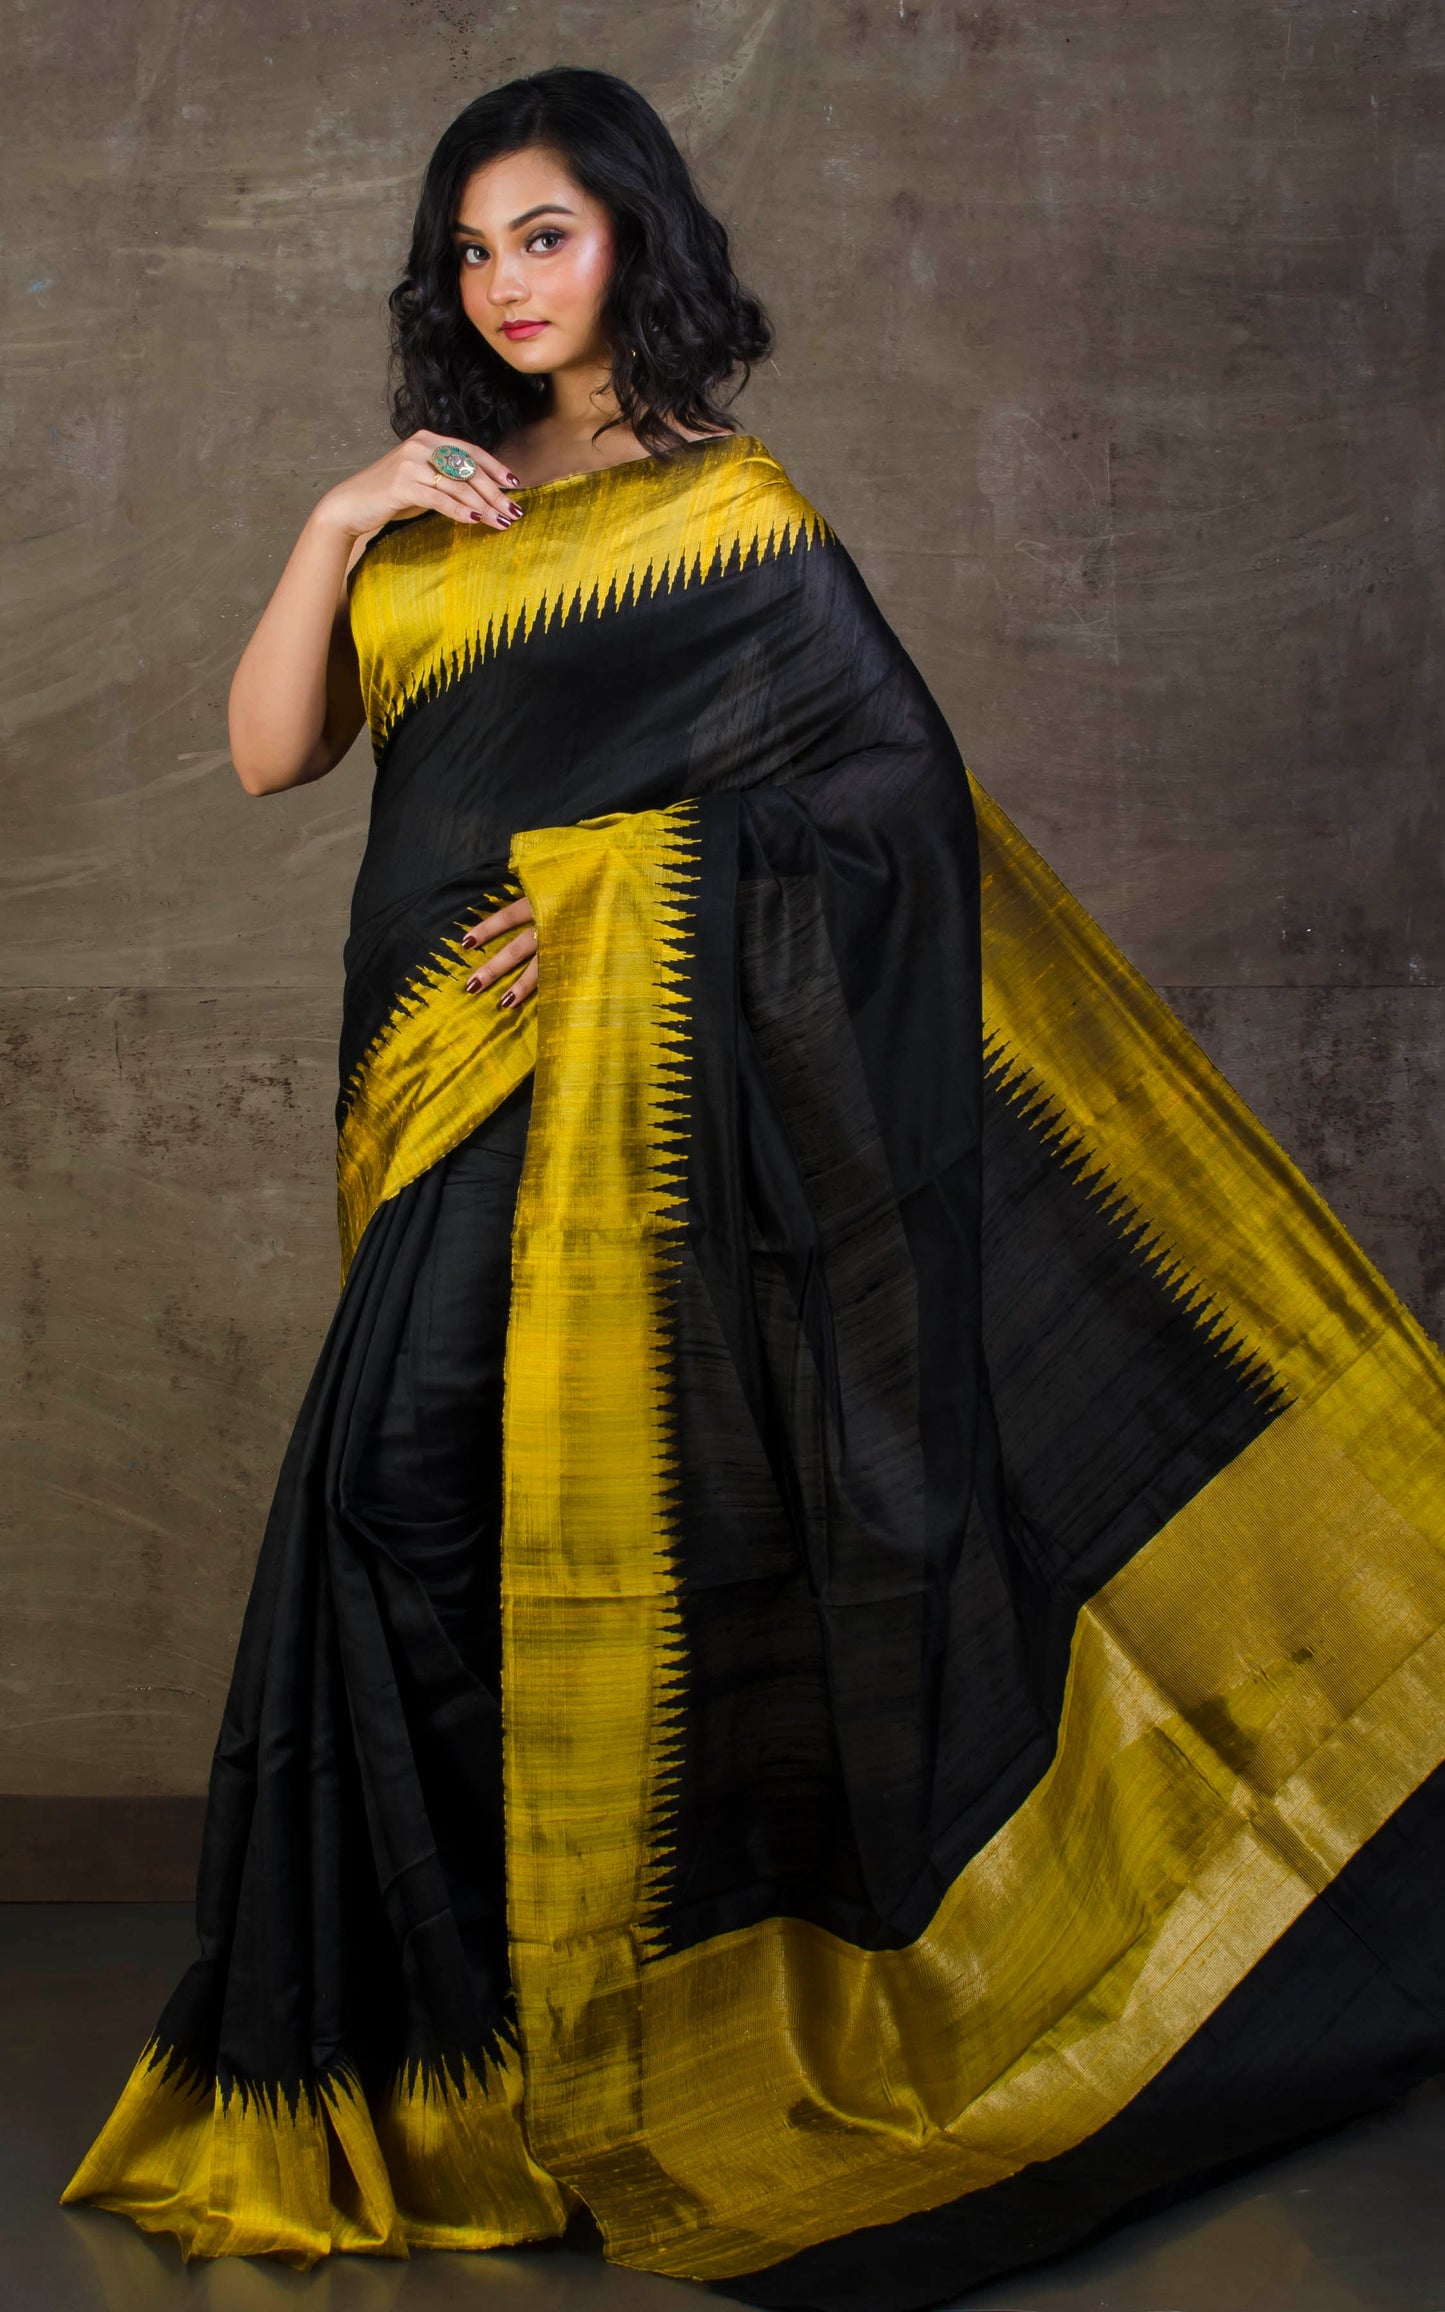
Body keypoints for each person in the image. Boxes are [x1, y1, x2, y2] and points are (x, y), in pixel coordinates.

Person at [61, 64, 1445, 2312]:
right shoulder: (429, 512)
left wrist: (632, 897)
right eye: (473, 249)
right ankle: (461, 2057)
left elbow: (895, 805)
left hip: (607, 1092)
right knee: (425, 1523)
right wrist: (330, 521)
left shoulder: (731, 511)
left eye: (547, 234)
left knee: (440, 1504)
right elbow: (270, 751)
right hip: (426, 1094)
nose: (506, 284)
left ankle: (544, 2055)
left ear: (636, 237)